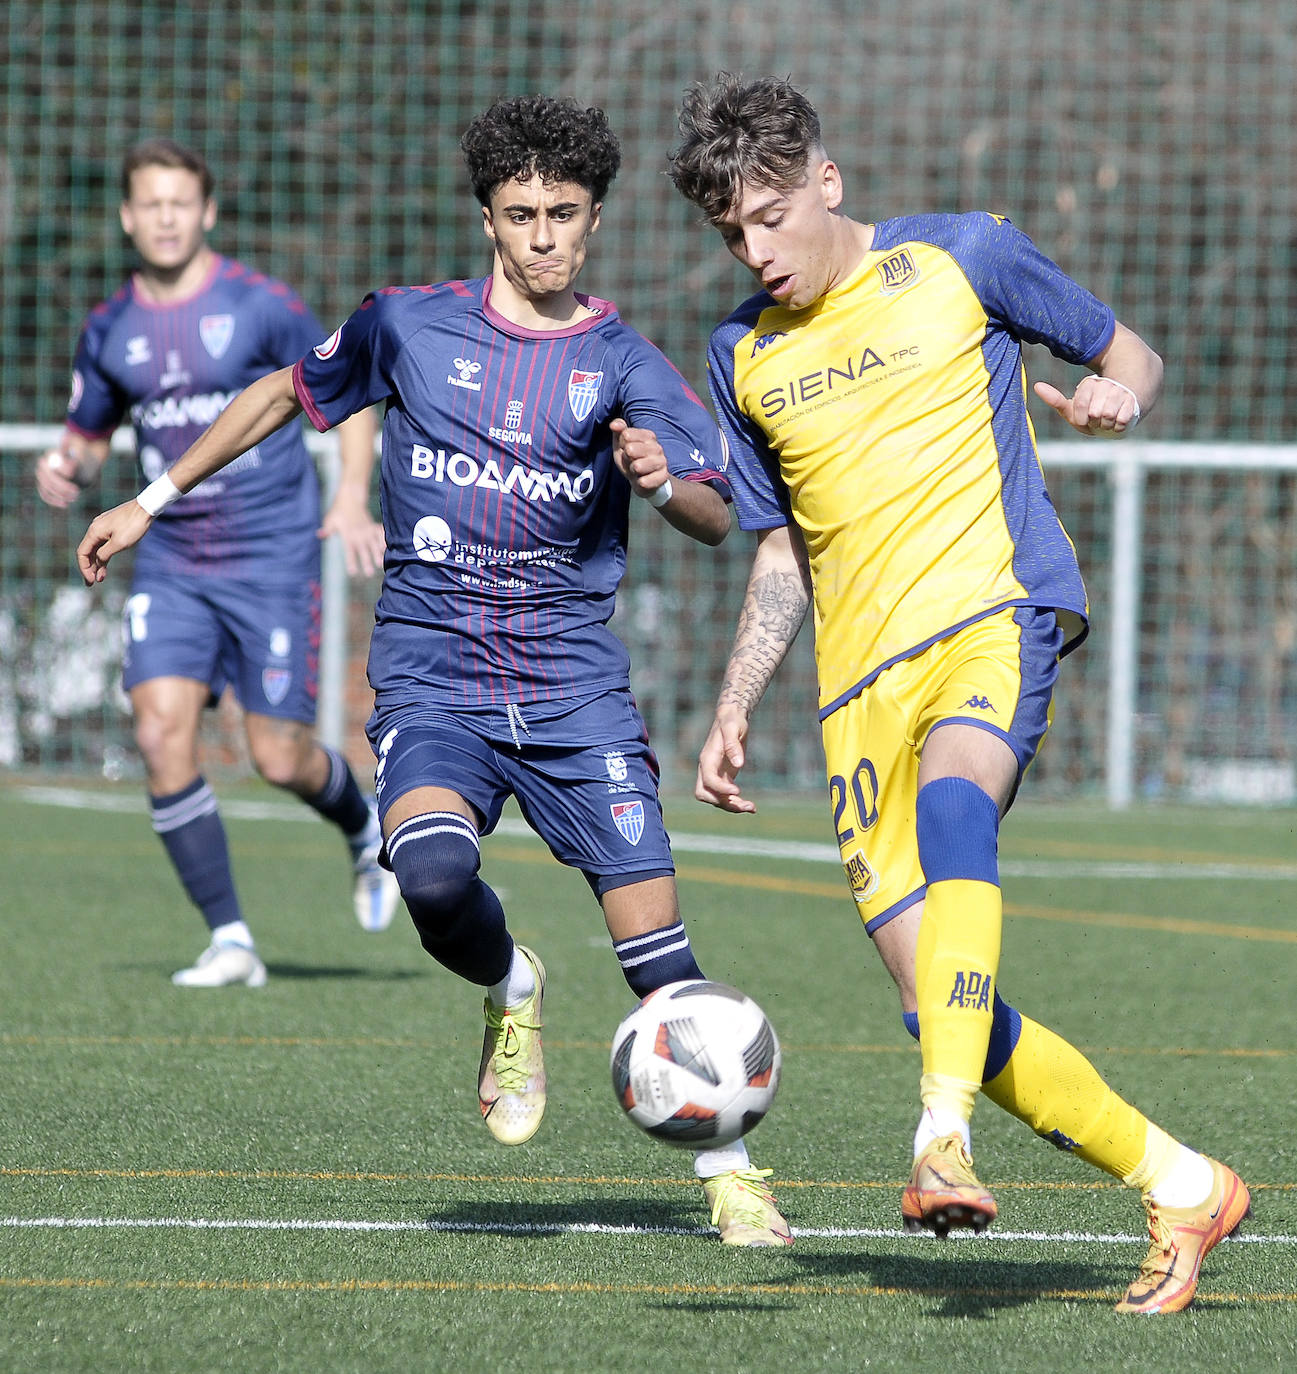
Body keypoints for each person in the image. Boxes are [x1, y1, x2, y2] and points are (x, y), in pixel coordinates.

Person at [75, 98, 792, 1247]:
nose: (544, 235)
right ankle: (513, 990)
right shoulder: (405, 328)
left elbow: (716, 516)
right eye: (522, 214)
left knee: (658, 952)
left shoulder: (622, 361)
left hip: (571, 688)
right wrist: (148, 498)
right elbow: (276, 394)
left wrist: (661, 482)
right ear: (490, 220)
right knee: (434, 883)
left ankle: (732, 1172)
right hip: (431, 677)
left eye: (565, 214)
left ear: (595, 219)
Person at [669, 72, 1249, 1311]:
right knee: (957, 1012)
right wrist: (735, 699)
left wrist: (1117, 396)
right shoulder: (740, 354)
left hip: (993, 612)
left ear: (826, 182)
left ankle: (939, 1141)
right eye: (731, 232)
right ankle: (1186, 1183)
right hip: (852, 694)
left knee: (957, 812)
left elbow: (1128, 350)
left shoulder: (962, 255)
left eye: (771, 214)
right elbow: (778, 547)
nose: (755, 248)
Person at [36, 137, 399, 988]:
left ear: (206, 213)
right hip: (172, 564)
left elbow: (342, 396)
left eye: (179, 203)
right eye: (148, 204)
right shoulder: (108, 328)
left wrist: (351, 496)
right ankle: (231, 938)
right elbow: (86, 440)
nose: (165, 217)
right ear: (129, 217)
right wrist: (66, 470)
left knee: (277, 757)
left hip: (270, 555)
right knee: (160, 731)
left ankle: (360, 824)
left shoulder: (262, 307)